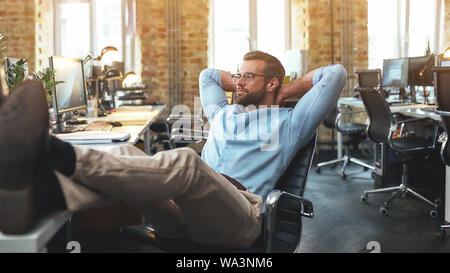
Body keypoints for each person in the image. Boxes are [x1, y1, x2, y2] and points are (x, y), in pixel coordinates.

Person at [0, 50, 346, 248]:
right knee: (128, 153)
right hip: (182, 215)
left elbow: (335, 74)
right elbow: (209, 75)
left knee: (187, 164)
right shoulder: (224, 112)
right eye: (238, 75)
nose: (238, 81)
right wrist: (245, 81)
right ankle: (42, 194)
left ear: (272, 82)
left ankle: (49, 150)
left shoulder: (291, 123)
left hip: (240, 218)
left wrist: (281, 92)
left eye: (248, 76)